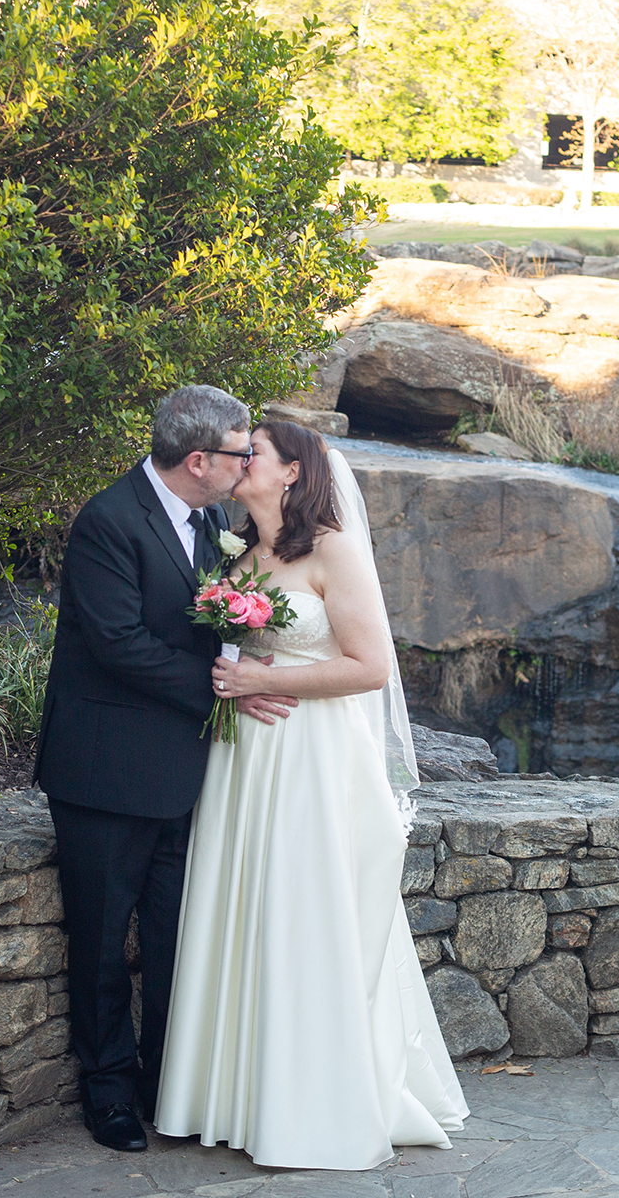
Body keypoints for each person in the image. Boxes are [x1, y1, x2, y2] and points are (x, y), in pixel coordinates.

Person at [156, 420, 469, 1169]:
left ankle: (309, 1105)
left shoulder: (334, 549)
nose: (241, 460)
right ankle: (232, 1097)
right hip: (243, 760)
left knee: (300, 912)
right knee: (243, 907)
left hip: (313, 758)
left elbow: (371, 667)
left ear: (292, 471)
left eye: (254, 451)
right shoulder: (235, 553)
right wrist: (232, 678)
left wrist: (264, 679)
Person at [34, 385, 296, 1154]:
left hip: (185, 773)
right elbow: (118, 644)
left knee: (176, 939)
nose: (248, 463)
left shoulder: (211, 520)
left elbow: (212, 621)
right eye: (241, 452)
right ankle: (109, 1093)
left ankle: (164, 1085)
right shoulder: (109, 521)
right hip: (105, 775)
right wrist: (227, 689)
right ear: (199, 460)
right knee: (101, 942)